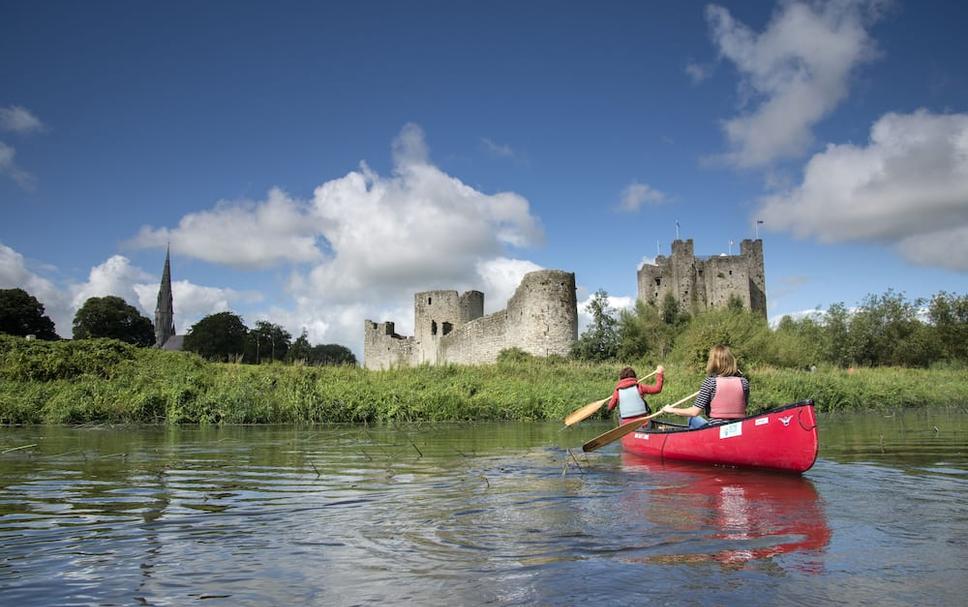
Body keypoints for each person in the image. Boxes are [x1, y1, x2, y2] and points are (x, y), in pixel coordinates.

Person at [662, 345, 748, 429]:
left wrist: (672, 410)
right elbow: (744, 406)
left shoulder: (710, 382)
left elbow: (694, 412)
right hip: (739, 427)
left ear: (713, 362)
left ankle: (696, 441)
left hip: (716, 429)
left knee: (691, 418)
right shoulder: (743, 382)